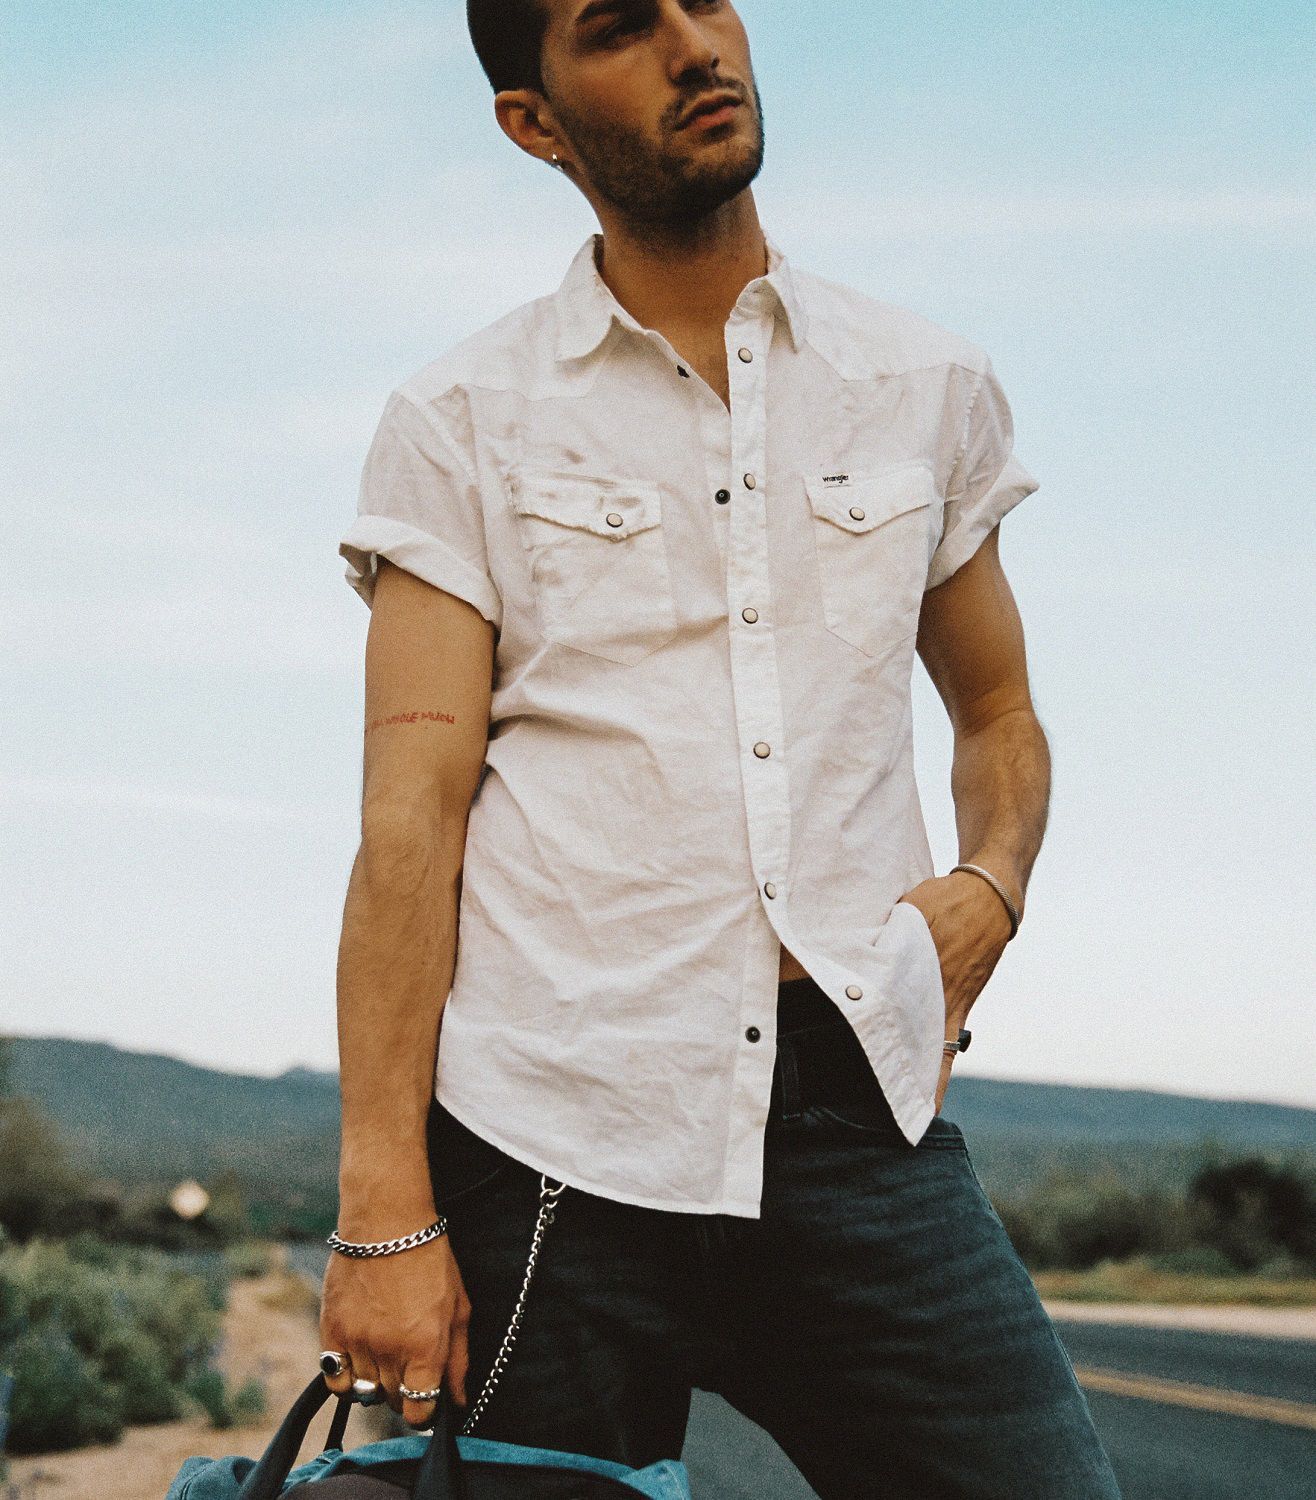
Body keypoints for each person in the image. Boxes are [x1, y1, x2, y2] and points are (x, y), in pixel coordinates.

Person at [318, 2, 1124, 1496]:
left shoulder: (924, 384)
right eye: (622, 27)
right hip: (550, 1136)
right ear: (534, 122)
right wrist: (383, 1214)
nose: (694, 45)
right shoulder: (460, 420)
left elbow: (999, 712)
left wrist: (995, 883)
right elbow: (409, 823)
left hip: (853, 1117)